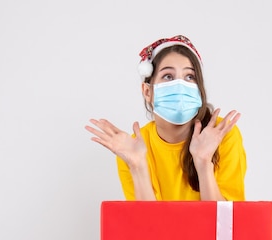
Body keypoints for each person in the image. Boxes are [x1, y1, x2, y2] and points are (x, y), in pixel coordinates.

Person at [85, 35, 246, 201]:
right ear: (148, 91)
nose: (180, 85)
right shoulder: (133, 147)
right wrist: (137, 165)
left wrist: (204, 162)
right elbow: (147, 225)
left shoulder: (221, 134)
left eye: (190, 77)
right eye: (168, 76)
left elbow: (227, 223)